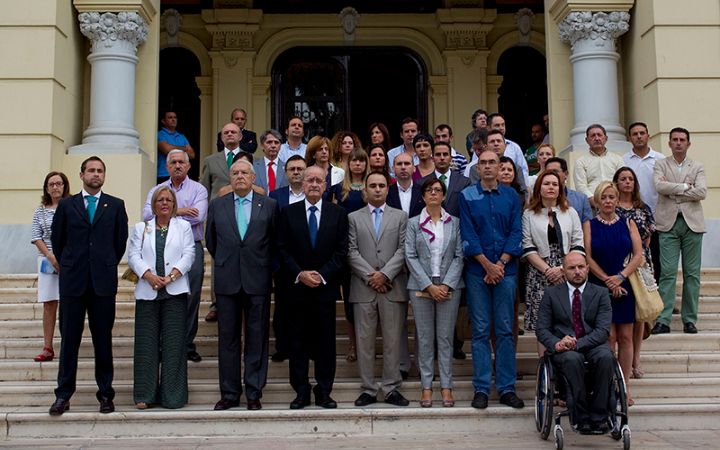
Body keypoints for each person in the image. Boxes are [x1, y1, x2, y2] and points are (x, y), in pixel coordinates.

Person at [49, 156, 128, 416]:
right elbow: (58, 240)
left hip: (103, 284)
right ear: (82, 175)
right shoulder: (67, 205)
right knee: (69, 340)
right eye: (91, 170)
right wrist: (72, 264)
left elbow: (119, 243)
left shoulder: (116, 205)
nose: (96, 174)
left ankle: (105, 394)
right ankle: (63, 395)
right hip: (73, 282)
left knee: (102, 341)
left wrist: (103, 264)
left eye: (100, 170)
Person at [205, 159, 277, 411]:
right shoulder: (217, 205)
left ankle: (254, 392)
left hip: (257, 280)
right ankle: (230, 393)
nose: (239, 177)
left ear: (253, 177)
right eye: (234, 173)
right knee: (228, 339)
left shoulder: (269, 206)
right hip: (227, 281)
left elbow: (274, 242)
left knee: (257, 338)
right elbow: (211, 241)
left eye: (244, 173)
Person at [277, 166, 349, 409]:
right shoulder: (288, 213)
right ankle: (301, 391)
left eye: (319, 180)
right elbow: (282, 249)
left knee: (325, 343)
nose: (314, 184)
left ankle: (324, 390)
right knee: (296, 342)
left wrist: (322, 275)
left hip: (325, 289)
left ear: (326, 184)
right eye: (310, 180)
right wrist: (300, 274)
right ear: (303, 184)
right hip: (296, 289)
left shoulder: (338, 213)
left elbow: (342, 251)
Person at [459, 149, 524, 410]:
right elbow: (468, 234)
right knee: (481, 331)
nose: (487, 167)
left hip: (506, 272)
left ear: (500, 167)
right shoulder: (467, 195)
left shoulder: (511, 196)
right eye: (483, 163)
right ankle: (482, 388)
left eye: (492, 163)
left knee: (506, 330)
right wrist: (487, 265)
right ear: (477, 168)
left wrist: (500, 264)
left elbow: (516, 232)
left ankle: (507, 388)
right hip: (477, 272)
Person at [129, 186, 195, 409]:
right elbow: (133, 256)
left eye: (168, 200)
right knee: (146, 344)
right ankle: (145, 395)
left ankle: (172, 396)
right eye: (160, 200)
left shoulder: (183, 226)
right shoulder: (141, 228)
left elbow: (189, 254)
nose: (164, 203)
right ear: (154, 205)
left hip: (174, 291)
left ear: (174, 204)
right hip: (148, 292)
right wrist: (148, 276)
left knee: (174, 344)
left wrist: (173, 275)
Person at [348, 171, 410, 408]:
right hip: (363, 288)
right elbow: (351, 251)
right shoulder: (353, 217)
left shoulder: (401, 216)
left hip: (392, 286)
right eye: (372, 185)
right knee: (365, 341)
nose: (376, 189)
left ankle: (392, 387)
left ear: (387, 189)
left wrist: (384, 274)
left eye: (381, 185)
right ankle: (368, 388)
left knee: (393, 340)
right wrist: (371, 276)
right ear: (365, 190)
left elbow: (404, 249)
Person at [535, 253, 615, 434]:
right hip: (563, 348)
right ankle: (580, 417)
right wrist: (556, 344)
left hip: (592, 344)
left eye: (580, 267)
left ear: (587, 268)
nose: (577, 272)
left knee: (606, 357)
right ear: (563, 271)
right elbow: (542, 329)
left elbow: (603, 331)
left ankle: (600, 416)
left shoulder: (601, 293)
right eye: (572, 268)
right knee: (572, 359)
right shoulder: (551, 294)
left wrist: (577, 343)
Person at [143, 150, 208, 363]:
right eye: (173, 162)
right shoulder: (157, 189)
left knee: (192, 295)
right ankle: (165, 345)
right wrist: (180, 211)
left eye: (182, 162)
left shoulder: (198, 189)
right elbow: (146, 215)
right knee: (165, 294)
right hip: (160, 246)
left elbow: (199, 216)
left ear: (188, 166)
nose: (178, 165)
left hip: (191, 246)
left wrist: (165, 213)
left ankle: (187, 345)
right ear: (167, 166)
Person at [405, 177, 464, 408]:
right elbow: (410, 255)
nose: (433, 194)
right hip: (421, 286)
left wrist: (446, 284)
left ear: (443, 195)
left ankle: (447, 387)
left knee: (446, 338)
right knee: (425, 338)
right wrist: (428, 285)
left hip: (449, 285)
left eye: (438, 190)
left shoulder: (455, 223)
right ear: (422, 196)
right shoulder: (413, 223)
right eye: (429, 190)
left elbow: (460, 255)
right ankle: (426, 387)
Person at [583, 181, 644, 405]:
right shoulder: (589, 225)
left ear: (617, 199)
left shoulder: (629, 223)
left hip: (625, 284)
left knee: (626, 337)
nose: (608, 201)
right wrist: (608, 281)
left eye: (611, 197)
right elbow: (587, 257)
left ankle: (624, 386)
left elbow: (638, 255)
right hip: (599, 286)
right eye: (604, 198)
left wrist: (620, 277)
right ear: (597, 201)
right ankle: (607, 385)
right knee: (607, 337)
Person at [522, 170, 584, 352]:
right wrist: (548, 270)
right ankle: (545, 369)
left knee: (567, 318)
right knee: (543, 323)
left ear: (560, 188)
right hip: (539, 272)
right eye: (546, 183)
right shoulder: (529, 214)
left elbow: (578, 242)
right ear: (539, 188)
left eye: (555, 184)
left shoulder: (570, 212)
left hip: (569, 271)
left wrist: (563, 269)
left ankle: (567, 365)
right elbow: (527, 246)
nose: (551, 187)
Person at [652, 127, 706, 335]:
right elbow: (659, 187)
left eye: (682, 139)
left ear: (688, 143)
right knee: (667, 273)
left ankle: (690, 319)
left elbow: (701, 192)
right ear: (669, 143)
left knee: (692, 274)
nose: (678, 143)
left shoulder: (697, 165)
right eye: (674, 139)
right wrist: (685, 187)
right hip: (667, 224)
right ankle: (663, 320)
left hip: (692, 224)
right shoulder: (660, 164)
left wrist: (673, 189)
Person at [613, 166, 655, 378]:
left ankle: (635, 360)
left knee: (639, 315)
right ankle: (618, 361)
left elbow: (648, 238)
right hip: (617, 264)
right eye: (623, 178)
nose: (627, 182)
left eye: (630, 179)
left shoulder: (643, 208)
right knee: (620, 317)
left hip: (640, 265)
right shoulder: (611, 206)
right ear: (616, 182)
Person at [201, 122, 244, 322]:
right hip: (219, 217)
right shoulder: (211, 160)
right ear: (221, 137)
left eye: (233, 132)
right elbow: (204, 190)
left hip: (245, 213)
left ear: (240, 136)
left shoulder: (250, 160)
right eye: (226, 132)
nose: (229, 135)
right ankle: (216, 304)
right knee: (219, 259)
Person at [269, 155, 307, 362]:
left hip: (310, 263)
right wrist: (275, 264)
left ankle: (307, 346)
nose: (296, 172)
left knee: (307, 308)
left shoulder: (316, 194)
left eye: (300, 168)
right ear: (286, 173)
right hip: (283, 263)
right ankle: (282, 347)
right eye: (292, 169)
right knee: (283, 308)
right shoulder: (276, 196)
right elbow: (271, 230)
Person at [31, 171, 71, 362]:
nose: (55, 187)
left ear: (65, 186)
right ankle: (47, 346)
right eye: (51, 184)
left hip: (69, 261)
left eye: (59, 183)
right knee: (49, 304)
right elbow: (36, 236)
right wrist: (51, 256)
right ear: (46, 188)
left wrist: (63, 258)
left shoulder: (72, 206)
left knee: (68, 303)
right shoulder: (40, 210)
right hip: (47, 261)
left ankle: (68, 345)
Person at [334, 148, 369, 363]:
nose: (357, 165)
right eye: (354, 161)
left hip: (368, 249)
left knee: (367, 300)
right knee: (349, 301)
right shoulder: (338, 190)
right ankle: (353, 344)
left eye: (361, 161)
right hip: (346, 250)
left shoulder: (372, 187)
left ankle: (368, 344)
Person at [623, 122, 664, 283]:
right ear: (630, 138)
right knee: (633, 258)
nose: (639, 136)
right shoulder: (624, 160)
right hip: (631, 217)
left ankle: (658, 299)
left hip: (657, 217)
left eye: (642, 133)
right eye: (635, 134)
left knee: (657, 258)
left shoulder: (660, 159)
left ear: (648, 135)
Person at [573, 124, 624, 209]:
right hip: (591, 207)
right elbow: (581, 186)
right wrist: (594, 202)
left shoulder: (617, 159)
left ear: (606, 138)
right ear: (587, 140)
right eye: (593, 136)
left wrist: (615, 200)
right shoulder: (580, 162)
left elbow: (622, 181)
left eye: (599, 135)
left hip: (615, 205)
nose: (596, 138)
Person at [419, 141, 471, 218]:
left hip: (457, 227)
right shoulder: (422, 183)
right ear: (432, 158)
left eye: (445, 154)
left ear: (451, 158)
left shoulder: (464, 182)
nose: (442, 158)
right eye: (438, 155)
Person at [545, 157, 593, 225]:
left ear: (566, 174)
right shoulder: (539, 199)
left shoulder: (581, 199)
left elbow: (588, 228)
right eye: (548, 172)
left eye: (555, 171)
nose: (552, 175)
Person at [487, 113, 530, 186]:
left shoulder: (514, 147)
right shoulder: (483, 149)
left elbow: (523, 170)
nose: (501, 128)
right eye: (497, 125)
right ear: (488, 128)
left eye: (503, 125)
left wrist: (524, 187)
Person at [157, 111, 195, 184]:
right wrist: (184, 148)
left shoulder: (181, 136)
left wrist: (172, 147)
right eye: (170, 117)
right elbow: (166, 149)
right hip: (164, 174)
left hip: (182, 174)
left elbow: (192, 154)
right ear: (163, 121)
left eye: (175, 117)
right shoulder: (160, 134)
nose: (173, 119)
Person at [386, 152, 424, 218]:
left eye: (407, 163)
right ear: (393, 169)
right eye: (399, 164)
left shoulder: (423, 191)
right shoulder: (386, 192)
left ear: (414, 168)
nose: (403, 167)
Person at [253, 129, 288, 194]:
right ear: (262, 146)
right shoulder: (253, 167)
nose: (273, 146)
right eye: (269, 142)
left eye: (276, 142)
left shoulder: (287, 168)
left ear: (280, 146)